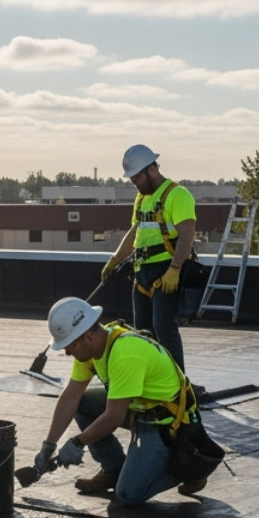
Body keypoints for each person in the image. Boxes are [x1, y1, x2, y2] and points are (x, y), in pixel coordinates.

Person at [26, 296, 207, 503]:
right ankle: (113, 469)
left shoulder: (124, 353)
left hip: (165, 421)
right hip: (139, 408)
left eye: (69, 345)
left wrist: (78, 442)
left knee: (130, 493)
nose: (67, 352)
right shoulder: (91, 351)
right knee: (83, 402)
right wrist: (48, 445)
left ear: (87, 336)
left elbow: (113, 416)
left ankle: (191, 468)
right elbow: (70, 397)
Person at [99, 144, 197, 378]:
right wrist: (115, 260)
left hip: (166, 270)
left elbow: (187, 234)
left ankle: (178, 382)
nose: (134, 183)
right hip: (142, 271)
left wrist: (175, 268)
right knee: (142, 330)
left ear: (151, 169)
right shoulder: (142, 198)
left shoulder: (177, 194)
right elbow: (136, 232)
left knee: (163, 326)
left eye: (136, 177)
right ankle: (153, 378)